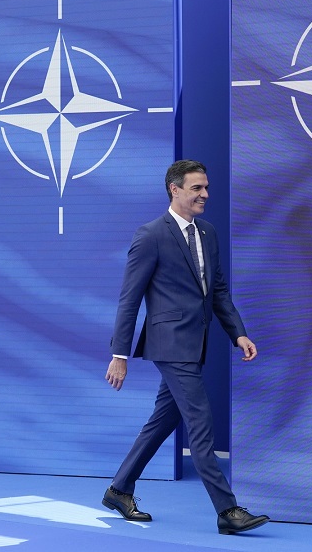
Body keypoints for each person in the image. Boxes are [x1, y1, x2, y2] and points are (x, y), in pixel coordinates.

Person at [102, 159, 269, 535]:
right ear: (174, 190)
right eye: (197, 188)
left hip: (198, 342)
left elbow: (219, 291)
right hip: (169, 343)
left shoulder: (207, 233)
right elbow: (129, 299)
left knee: (164, 420)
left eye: (206, 187)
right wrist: (119, 355)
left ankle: (119, 489)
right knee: (200, 421)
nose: (205, 194)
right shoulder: (150, 235)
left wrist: (238, 333)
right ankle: (227, 511)